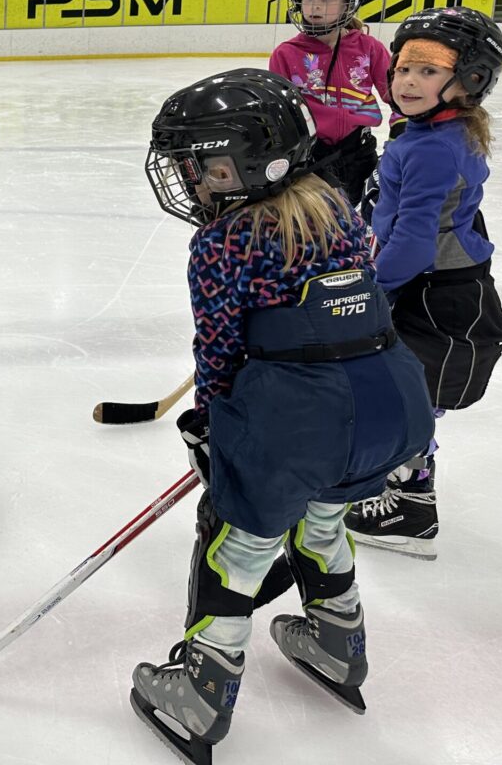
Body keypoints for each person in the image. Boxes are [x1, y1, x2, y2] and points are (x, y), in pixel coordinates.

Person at [130, 69, 434, 764]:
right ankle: (337, 642)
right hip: (393, 408)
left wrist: (213, 428)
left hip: (304, 424)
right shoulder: (332, 204)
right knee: (322, 519)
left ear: (240, 165)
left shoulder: (221, 244)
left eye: (196, 165)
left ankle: (202, 691)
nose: (188, 180)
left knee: (236, 544)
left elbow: (220, 353)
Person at [346, 7, 502, 560]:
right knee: (401, 395)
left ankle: (411, 507)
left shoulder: (433, 149)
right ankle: (399, 490)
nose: (407, 81)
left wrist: (369, 286)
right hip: (431, 283)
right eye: (402, 69)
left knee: (404, 399)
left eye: (429, 71)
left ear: (470, 81)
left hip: (434, 294)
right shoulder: (432, 135)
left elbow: (416, 243)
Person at [269, 0, 395, 206]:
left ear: (348, 3)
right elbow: (278, 116)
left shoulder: (369, 48)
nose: (314, 5)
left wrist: (403, 133)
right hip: (309, 159)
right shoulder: (286, 54)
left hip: (360, 153)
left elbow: (401, 96)